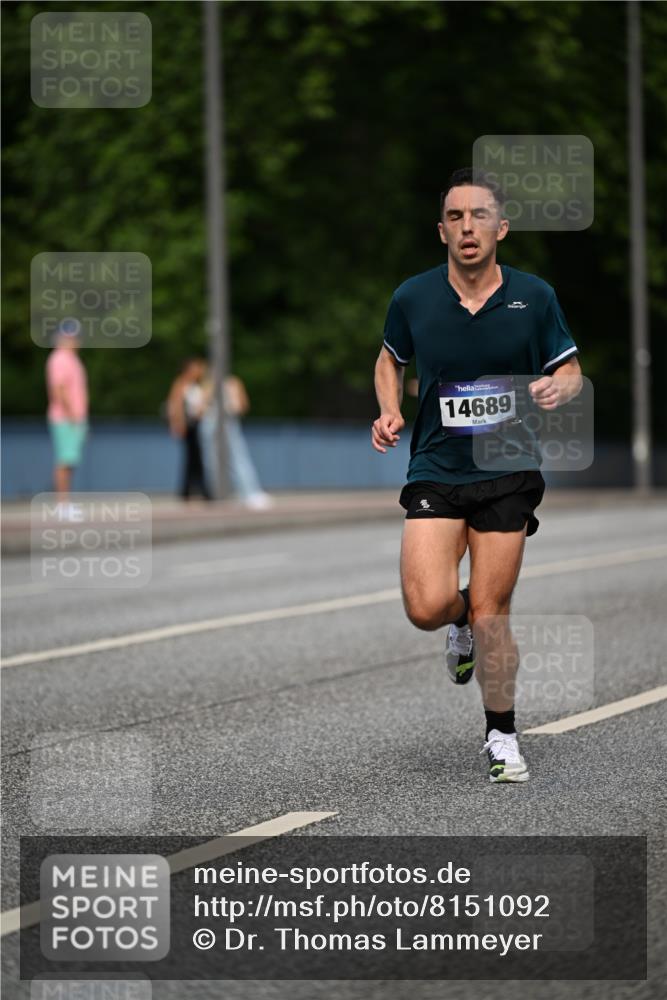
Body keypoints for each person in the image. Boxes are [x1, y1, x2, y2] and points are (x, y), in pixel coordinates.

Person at [372, 168, 582, 783]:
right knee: (425, 605)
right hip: (436, 463)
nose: (468, 227)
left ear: (501, 228)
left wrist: (558, 387)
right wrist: (389, 409)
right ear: (442, 231)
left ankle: (502, 735)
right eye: (456, 217)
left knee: (494, 609)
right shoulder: (413, 297)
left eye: (480, 215)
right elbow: (389, 359)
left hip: (508, 463)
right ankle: (457, 621)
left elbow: (570, 369)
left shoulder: (534, 296)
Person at [201, 374, 273, 510]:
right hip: (220, 423)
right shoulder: (224, 383)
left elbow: (241, 405)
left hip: (218, 422)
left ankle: (240, 493)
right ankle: (247, 493)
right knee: (230, 459)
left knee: (221, 460)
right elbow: (241, 405)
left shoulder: (221, 383)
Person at [45, 319, 88, 502]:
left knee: (70, 461)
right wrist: (72, 416)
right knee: (65, 461)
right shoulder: (59, 358)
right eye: (70, 337)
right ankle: (62, 503)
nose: (74, 341)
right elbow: (59, 389)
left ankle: (64, 500)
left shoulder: (72, 359)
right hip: (65, 418)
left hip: (74, 418)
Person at [168, 358, 211, 501]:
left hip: (200, 424)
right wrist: (177, 424)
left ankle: (195, 490)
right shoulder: (181, 384)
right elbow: (176, 405)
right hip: (189, 425)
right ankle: (192, 490)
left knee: (198, 458)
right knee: (192, 457)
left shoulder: (199, 385)